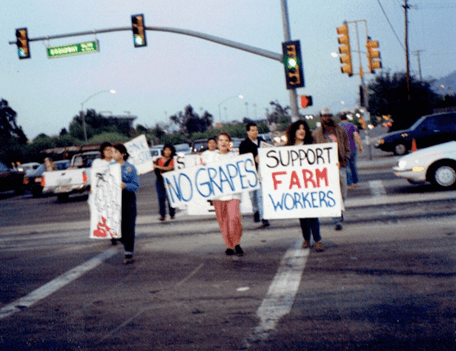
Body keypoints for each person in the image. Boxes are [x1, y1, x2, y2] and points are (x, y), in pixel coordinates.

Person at [285, 120, 325, 252]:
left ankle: (318, 240)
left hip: (310, 185)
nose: (302, 131)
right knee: (302, 216)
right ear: (293, 131)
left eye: (304, 129)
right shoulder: (287, 148)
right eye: (298, 129)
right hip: (296, 186)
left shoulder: (311, 146)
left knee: (313, 215)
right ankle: (306, 238)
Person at [313, 108, 350, 231]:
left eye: (329, 115)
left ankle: (340, 212)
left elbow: (347, 144)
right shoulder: (317, 134)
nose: (327, 117)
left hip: (341, 166)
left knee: (343, 193)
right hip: (326, 169)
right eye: (324, 115)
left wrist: (346, 158)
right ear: (321, 117)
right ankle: (337, 219)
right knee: (333, 194)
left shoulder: (340, 130)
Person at [212, 132, 244, 257]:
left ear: (229, 143)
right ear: (217, 142)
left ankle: (237, 243)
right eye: (221, 140)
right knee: (223, 220)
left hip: (233, 193)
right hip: (218, 195)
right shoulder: (211, 159)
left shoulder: (235, 156)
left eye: (226, 140)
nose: (223, 142)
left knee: (234, 218)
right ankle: (229, 246)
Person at [112, 143, 140, 265]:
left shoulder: (130, 168)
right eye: (112, 152)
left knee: (129, 225)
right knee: (118, 225)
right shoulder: (109, 168)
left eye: (116, 152)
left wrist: (126, 185)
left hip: (128, 198)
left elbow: (136, 185)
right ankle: (123, 240)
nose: (113, 154)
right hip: (114, 199)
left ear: (123, 154)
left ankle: (129, 253)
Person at [239, 122, 269, 227]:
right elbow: (242, 159)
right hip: (250, 174)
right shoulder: (243, 144)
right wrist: (253, 159)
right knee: (252, 196)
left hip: (261, 173)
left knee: (261, 195)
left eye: (256, 130)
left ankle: (264, 216)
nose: (255, 132)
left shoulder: (262, 142)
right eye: (252, 130)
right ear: (247, 132)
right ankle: (255, 210)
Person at [339, 113, 363, 189]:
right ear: (347, 118)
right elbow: (356, 135)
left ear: (340, 119)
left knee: (346, 166)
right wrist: (360, 145)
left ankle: (348, 184)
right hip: (352, 147)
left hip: (343, 149)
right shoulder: (351, 125)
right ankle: (355, 182)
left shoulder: (338, 126)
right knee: (353, 165)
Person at [154, 143, 176, 221]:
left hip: (169, 180)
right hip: (159, 180)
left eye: (169, 150)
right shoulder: (158, 160)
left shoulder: (173, 160)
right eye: (166, 150)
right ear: (163, 151)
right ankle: (162, 215)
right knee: (161, 198)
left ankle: (172, 213)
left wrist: (157, 167)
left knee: (170, 197)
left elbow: (170, 168)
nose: (167, 151)